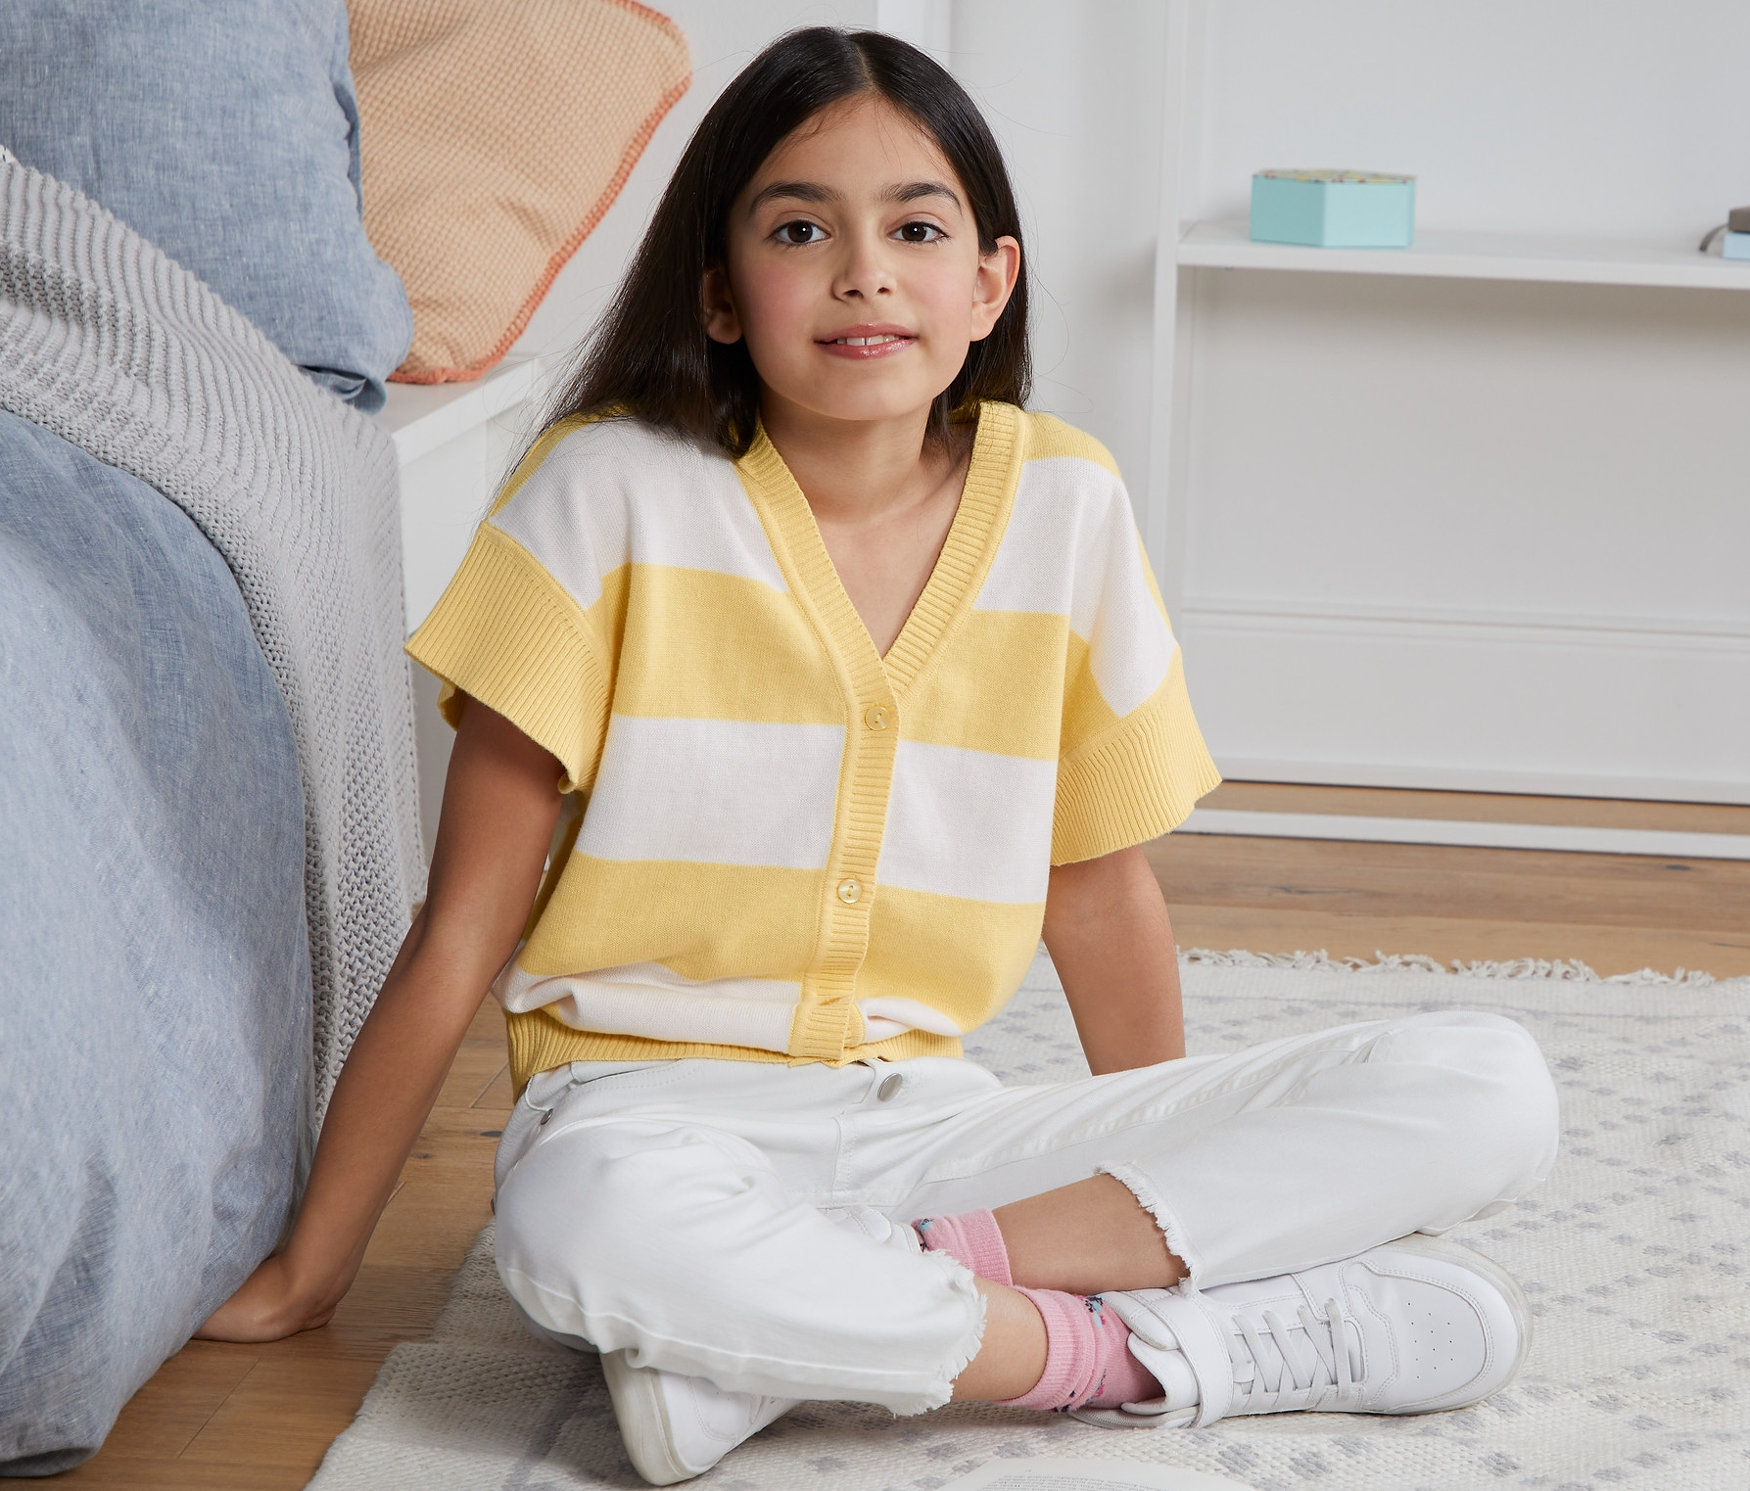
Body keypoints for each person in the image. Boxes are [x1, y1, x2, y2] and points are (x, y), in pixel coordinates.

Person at [200, 26, 1560, 1487]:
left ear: (989, 281)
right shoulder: (601, 494)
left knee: (1487, 1086)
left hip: (939, 1130)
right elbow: (461, 924)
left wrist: (1155, 1184)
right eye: (801, 228)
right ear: (720, 294)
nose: (864, 271)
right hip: (648, 1130)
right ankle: (1123, 1356)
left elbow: (1096, 896)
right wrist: (310, 1273)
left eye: (916, 227)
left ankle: (795, 1339)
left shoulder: (1066, 504)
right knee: (569, 1228)